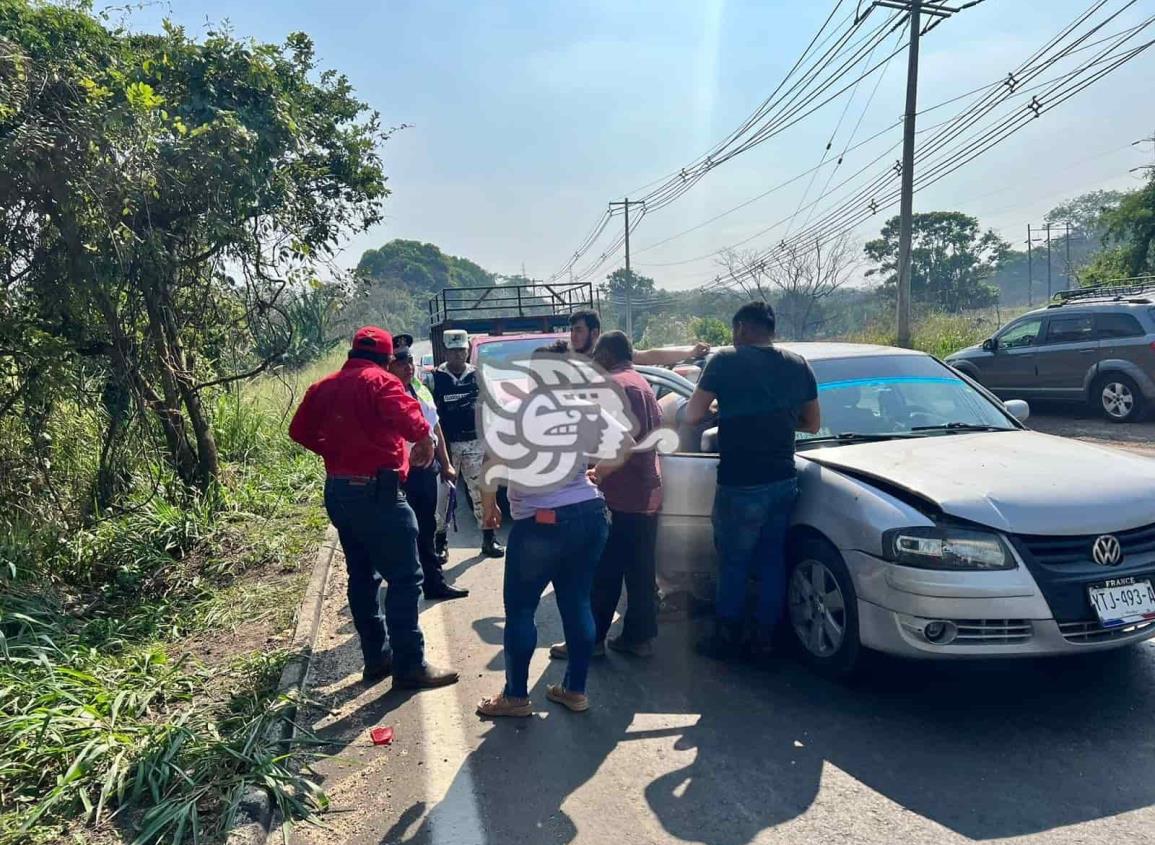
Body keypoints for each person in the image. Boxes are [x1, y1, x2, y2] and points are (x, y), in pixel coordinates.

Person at [289, 326, 459, 690]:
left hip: (339, 492)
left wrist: (334, 451)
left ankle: (376, 657)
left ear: (353, 353)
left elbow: (299, 431)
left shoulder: (323, 386)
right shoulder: (381, 383)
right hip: (378, 493)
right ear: (386, 359)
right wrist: (423, 441)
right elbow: (414, 423)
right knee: (405, 577)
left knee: (362, 575)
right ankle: (410, 664)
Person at [475, 345, 615, 718]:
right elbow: (626, 446)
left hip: (541, 523)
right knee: (578, 601)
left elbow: (491, 465)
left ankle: (516, 697)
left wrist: (489, 509)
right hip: (590, 514)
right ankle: (575, 690)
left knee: (521, 610)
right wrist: (596, 472)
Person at [683, 302, 821, 661]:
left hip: (740, 482)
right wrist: (775, 419)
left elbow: (693, 414)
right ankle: (765, 641)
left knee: (733, 561)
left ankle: (727, 638)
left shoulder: (725, 361)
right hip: (783, 479)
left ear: (742, 327)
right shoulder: (798, 364)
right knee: (772, 559)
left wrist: (722, 411)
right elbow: (812, 424)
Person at [549, 330, 663, 661]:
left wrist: (597, 473)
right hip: (647, 491)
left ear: (608, 356)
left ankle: (590, 641)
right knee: (640, 571)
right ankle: (638, 638)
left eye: (598, 357)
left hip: (618, 493)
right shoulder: (641, 383)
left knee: (600, 571)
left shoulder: (613, 386)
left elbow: (621, 440)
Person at [388, 334, 468, 600]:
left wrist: (445, 463)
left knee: (427, 528)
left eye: (409, 360)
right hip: (402, 474)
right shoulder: (387, 394)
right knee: (405, 531)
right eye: (400, 362)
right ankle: (407, 587)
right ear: (388, 365)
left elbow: (435, 427)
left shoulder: (419, 388)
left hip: (426, 470)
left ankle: (433, 583)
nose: (407, 366)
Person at [430, 329, 505, 559]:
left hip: (474, 442)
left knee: (480, 494)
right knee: (442, 496)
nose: (457, 356)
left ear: (467, 351)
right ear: (445, 351)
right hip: (446, 445)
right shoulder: (433, 378)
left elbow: (495, 405)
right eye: (452, 351)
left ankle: (488, 539)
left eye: (461, 351)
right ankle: (440, 542)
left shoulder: (477, 375)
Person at [568, 309, 711, 366]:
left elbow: (650, 356)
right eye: (572, 330)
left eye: (579, 330)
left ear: (594, 333)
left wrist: (690, 353)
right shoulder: (566, 360)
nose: (573, 335)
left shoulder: (612, 353)